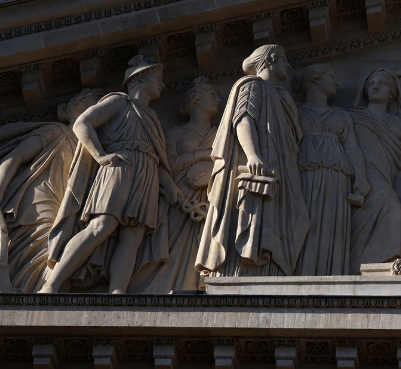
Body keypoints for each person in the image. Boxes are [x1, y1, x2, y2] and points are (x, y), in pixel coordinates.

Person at [0, 88, 100, 293]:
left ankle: (20, 288)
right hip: (38, 200)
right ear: (77, 110)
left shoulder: (90, 147)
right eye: (92, 108)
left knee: (44, 246)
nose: (98, 114)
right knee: (43, 244)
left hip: (65, 203)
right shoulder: (56, 131)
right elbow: (15, 157)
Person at [41, 57, 174, 293]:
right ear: (140, 79)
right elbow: (83, 123)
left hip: (146, 174)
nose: (162, 85)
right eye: (157, 78)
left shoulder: (152, 117)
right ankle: (52, 284)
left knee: (133, 236)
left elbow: (158, 160)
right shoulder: (119, 102)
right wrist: (100, 155)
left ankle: (118, 294)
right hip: (119, 166)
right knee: (102, 225)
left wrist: (174, 191)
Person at [199, 44, 309, 277]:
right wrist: (252, 154)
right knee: (252, 217)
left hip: (283, 172)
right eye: (284, 59)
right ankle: (243, 272)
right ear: (270, 59)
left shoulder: (282, 97)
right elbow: (244, 118)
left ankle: (273, 271)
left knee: (295, 219)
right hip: (258, 169)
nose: (288, 65)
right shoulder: (252, 85)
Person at [129, 78, 220, 293]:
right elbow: (167, 165)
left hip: (207, 203)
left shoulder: (221, 135)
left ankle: (191, 287)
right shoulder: (175, 134)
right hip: (178, 201)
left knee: (198, 247)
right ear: (196, 100)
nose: (218, 99)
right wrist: (202, 155)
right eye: (212, 95)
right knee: (170, 247)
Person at [347, 68, 401, 269]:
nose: (375, 86)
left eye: (382, 83)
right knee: (391, 205)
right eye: (371, 83)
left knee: (392, 206)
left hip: (383, 176)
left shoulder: (396, 123)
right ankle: (359, 265)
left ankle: (386, 262)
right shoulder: (353, 117)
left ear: (392, 93)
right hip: (355, 178)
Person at [294, 63, 369, 276]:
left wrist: (361, 178)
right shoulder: (295, 113)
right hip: (303, 176)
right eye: (331, 76)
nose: (336, 81)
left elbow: (352, 148)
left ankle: (332, 276)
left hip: (336, 177)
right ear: (315, 79)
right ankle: (301, 276)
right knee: (305, 225)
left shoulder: (340, 115)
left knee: (332, 229)